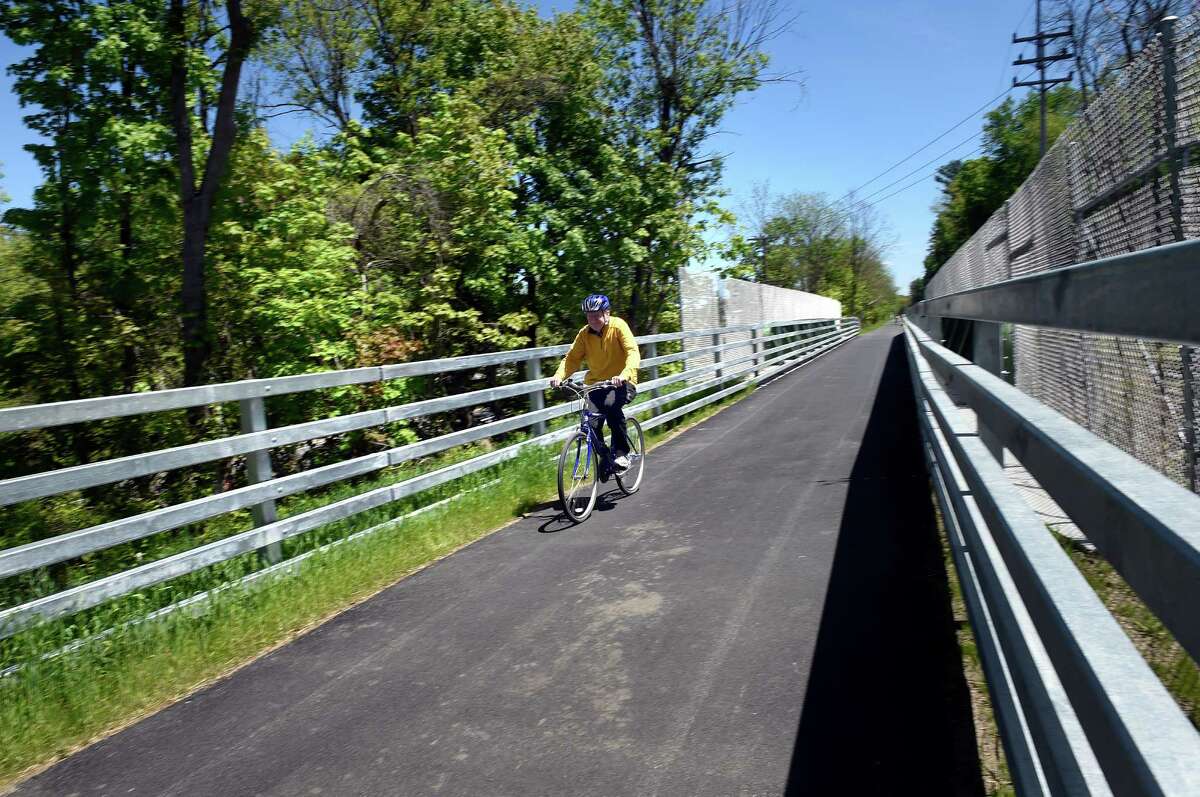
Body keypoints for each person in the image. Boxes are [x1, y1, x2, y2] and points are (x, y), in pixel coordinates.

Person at [549, 294, 640, 472]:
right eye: (589, 316)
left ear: (607, 313)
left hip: (622, 382)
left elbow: (633, 352)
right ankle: (606, 457)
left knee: (612, 408)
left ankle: (621, 453)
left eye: (596, 315)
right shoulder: (584, 334)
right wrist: (559, 376)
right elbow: (572, 359)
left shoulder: (618, 326)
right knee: (590, 424)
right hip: (596, 384)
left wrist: (624, 374)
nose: (593, 319)